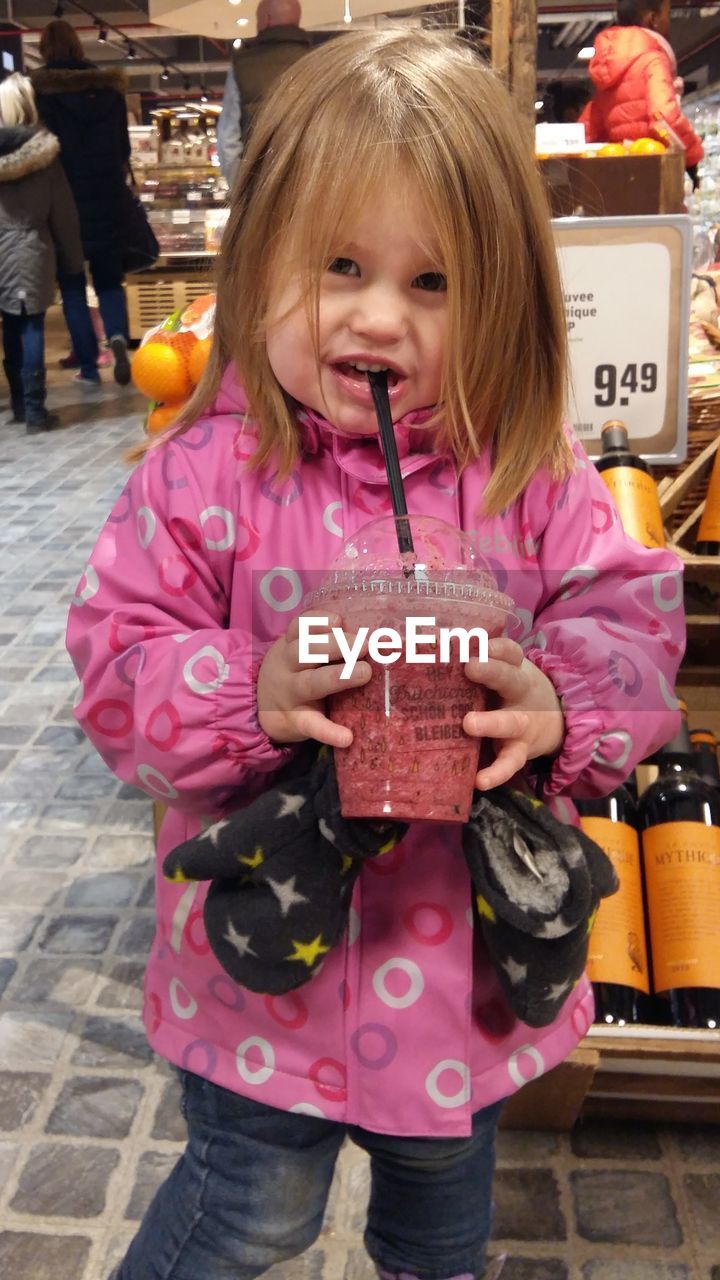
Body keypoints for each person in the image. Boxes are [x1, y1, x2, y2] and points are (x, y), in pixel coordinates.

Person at [66, 30, 685, 1280]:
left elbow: (634, 616)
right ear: (260, 267)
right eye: (339, 265)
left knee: (438, 1237)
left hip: (464, 979)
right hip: (265, 985)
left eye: (434, 284)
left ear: (503, 294)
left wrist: (559, 697)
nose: (378, 318)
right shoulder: (203, 482)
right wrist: (250, 691)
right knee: (249, 1212)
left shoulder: (529, 471)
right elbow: (115, 667)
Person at [31, 18, 133, 385]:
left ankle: (89, 366)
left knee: (72, 285)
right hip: (106, 199)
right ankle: (119, 336)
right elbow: (124, 150)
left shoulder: (40, 94)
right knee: (109, 280)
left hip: (64, 204)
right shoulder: (109, 91)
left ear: (44, 50)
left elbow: (40, 152)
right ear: (79, 46)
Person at [0, 73, 87, 431]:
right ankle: (35, 410)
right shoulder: (45, 155)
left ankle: (19, 403)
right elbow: (63, 213)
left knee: (9, 322)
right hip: (32, 248)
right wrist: (72, 260)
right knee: (32, 324)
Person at [580, 0, 703, 178]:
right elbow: (664, 116)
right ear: (652, 19)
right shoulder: (652, 59)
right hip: (652, 173)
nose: (669, 22)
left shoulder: (610, 67)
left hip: (620, 177)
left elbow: (589, 126)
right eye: (667, 15)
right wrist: (692, 157)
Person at [217, 0, 311, 186]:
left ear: (266, 19)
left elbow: (227, 140)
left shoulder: (243, 68)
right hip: (309, 188)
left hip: (258, 189)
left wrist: (240, 191)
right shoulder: (320, 64)